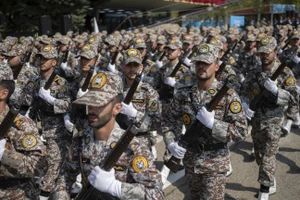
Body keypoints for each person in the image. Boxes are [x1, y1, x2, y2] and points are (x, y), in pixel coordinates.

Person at [55, 71, 164, 199]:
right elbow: (66, 175)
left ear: (117, 108)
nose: (91, 109)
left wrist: (116, 187)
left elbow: (156, 194)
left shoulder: (132, 147)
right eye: (90, 102)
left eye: (100, 104)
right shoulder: (81, 140)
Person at [162, 43, 248, 200]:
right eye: (198, 63)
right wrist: (171, 143)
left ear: (216, 66)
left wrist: (213, 125)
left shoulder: (228, 95)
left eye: (206, 63)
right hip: (191, 161)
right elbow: (169, 120)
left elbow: (241, 131)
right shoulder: (184, 93)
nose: (201, 66)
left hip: (215, 161)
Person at [241, 36, 299, 200]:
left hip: (274, 120)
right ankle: (270, 181)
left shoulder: (284, 72)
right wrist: (245, 106)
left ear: (275, 52)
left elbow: (293, 97)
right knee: (259, 155)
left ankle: (264, 191)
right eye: (261, 53)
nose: (264, 55)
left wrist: (276, 93)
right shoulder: (254, 73)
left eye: (268, 52)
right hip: (257, 119)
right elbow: (244, 91)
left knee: (268, 155)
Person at [22, 45, 72, 199]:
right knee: (37, 162)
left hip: (55, 129)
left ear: (54, 62)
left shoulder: (61, 83)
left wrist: (51, 99)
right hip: (37, 127)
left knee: (53, 163)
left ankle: (45, 194)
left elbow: (68, 105)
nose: (42, 61)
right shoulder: (35, 80)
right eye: (40, 58)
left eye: (46, 59)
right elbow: (25, 101)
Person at [0, 62, 48, 199]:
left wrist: (4, 155)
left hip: (14, 194)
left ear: (3, 93)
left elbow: (40, 166)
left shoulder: (21, 126)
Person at [120, 48, 161, 159]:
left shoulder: (148, 92)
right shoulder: (115, 88)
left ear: (141, 67)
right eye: (129, 65)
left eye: (136, 65)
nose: (132, 69)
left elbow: (155, 123)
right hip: (116, 141)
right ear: (123, 66)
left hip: (140, 142)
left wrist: (135, 114)